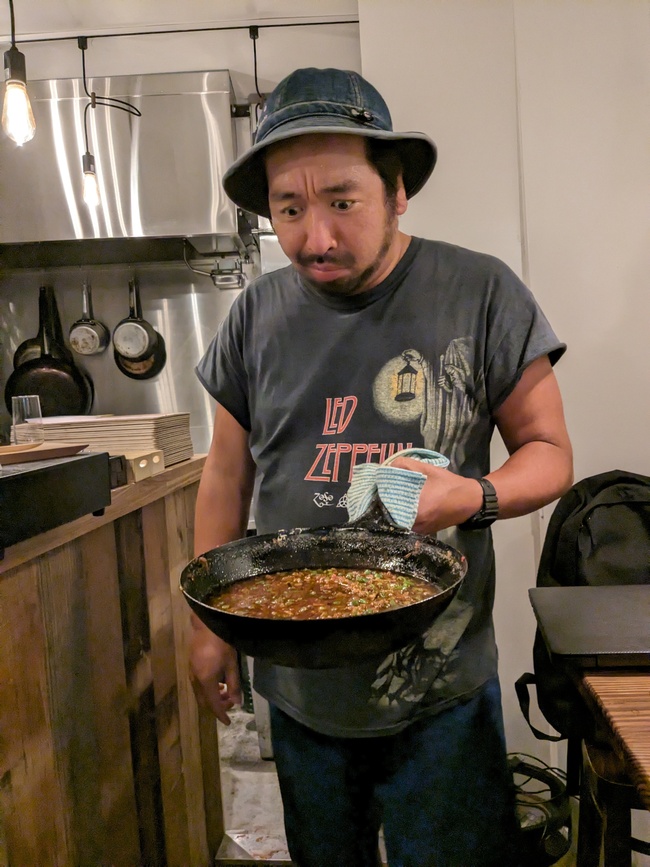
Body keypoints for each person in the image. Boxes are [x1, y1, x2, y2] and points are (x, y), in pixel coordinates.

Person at [190, 67, 573, 867]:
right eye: (289, 209)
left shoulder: (481, 291)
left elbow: (550, 454)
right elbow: (224, 477)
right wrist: (208, 627)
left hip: (441, 689)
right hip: (300, 689)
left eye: (342, 201)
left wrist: (472, 495)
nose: (315, 238)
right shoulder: (255, 315)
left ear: (398, 191)